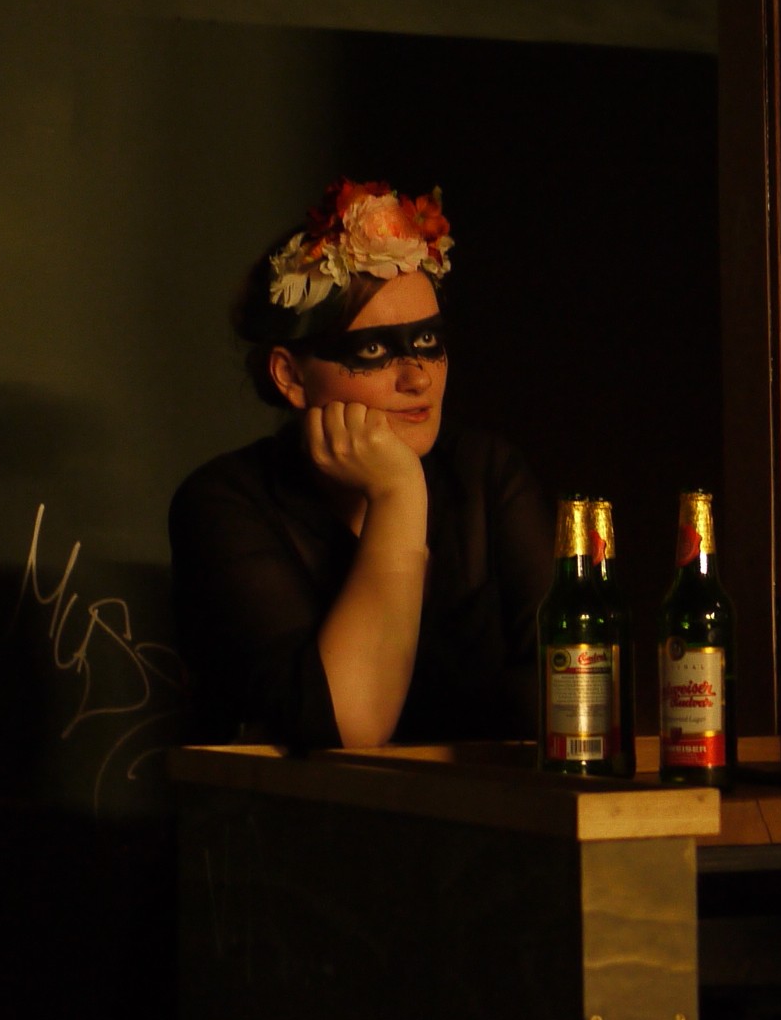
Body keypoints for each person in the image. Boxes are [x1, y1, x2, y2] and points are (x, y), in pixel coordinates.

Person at [169, 177, 553, 751]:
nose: (417, 378)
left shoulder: (487, 475)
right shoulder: (224, 502)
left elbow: (574, 698)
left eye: (428, 342)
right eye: (374, 349)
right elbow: (347, 725)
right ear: (290, 375)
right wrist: (398, 494)